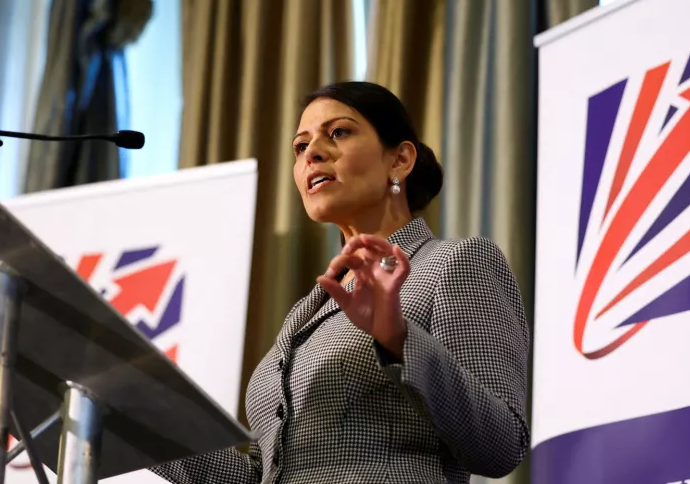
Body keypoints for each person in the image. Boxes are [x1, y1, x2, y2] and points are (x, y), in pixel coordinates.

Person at [150, 81, 529, 483]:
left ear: (400, 159)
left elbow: (502, 443)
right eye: (300, 146)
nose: (312, 152)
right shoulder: (305, 312)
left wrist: (397, 339)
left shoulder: (454, 263)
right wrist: (142, 412)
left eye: (339, 133)